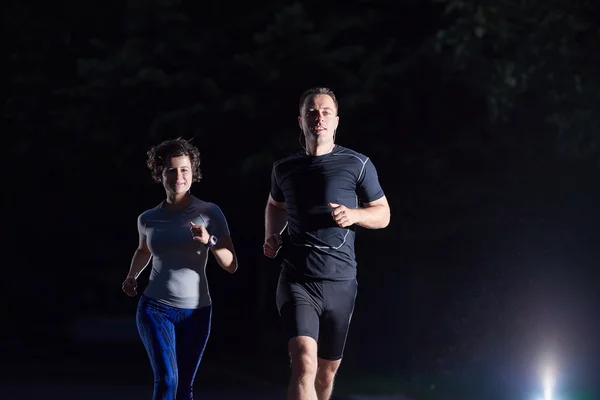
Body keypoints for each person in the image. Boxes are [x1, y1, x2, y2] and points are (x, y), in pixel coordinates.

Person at [263, 87, 391, 400]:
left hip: (340, 281)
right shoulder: (284, 169)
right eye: (311, 112)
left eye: (325, 112)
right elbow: (275, 206)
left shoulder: (358, 164)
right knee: (304, 361)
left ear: (335, 121)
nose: (318, 117)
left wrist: (354, 214)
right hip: (297, 280)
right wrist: (272, 235)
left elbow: (383, 214)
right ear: (301, 120)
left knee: (325, 373)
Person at [122, 137, 238, 400]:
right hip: (156, 307)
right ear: (160, 174)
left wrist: (210, 240)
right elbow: (143, 250)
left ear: (193, 172)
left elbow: (231, 265)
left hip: (197, 312)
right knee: (167, 380)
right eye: (171, 170)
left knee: (184, 386)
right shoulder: (148, 218)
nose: (178, 176)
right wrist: (131, 276)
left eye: (184, 169)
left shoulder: (210, 213)